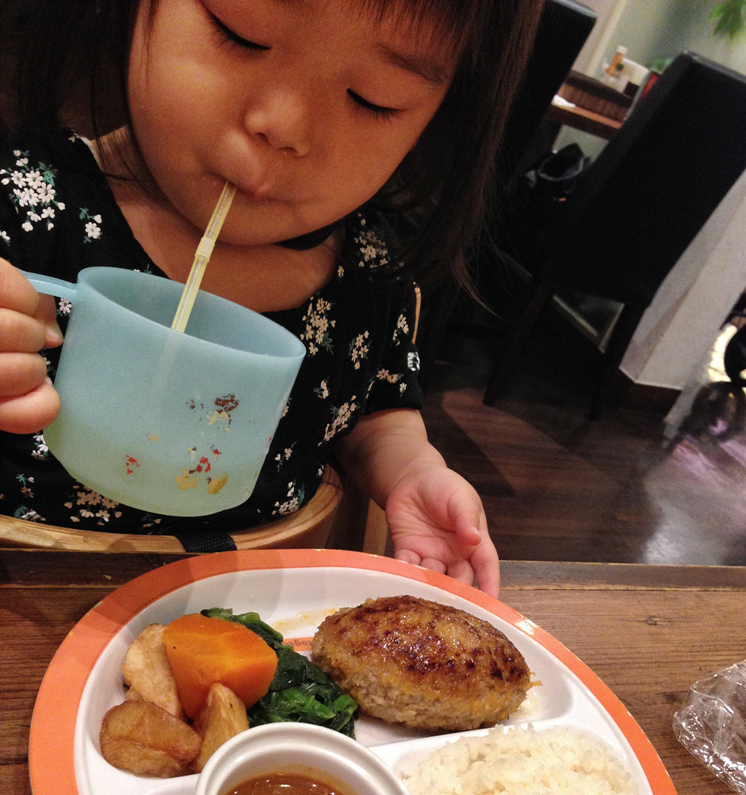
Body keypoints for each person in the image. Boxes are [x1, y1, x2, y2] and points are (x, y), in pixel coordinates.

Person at [0, 0, 544, 597]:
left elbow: (376, 417)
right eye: (241, 33)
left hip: (237, 625)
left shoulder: (370, 277)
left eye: (374, 98)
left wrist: (413, 471)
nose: (284, 127)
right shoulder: (22, 209)